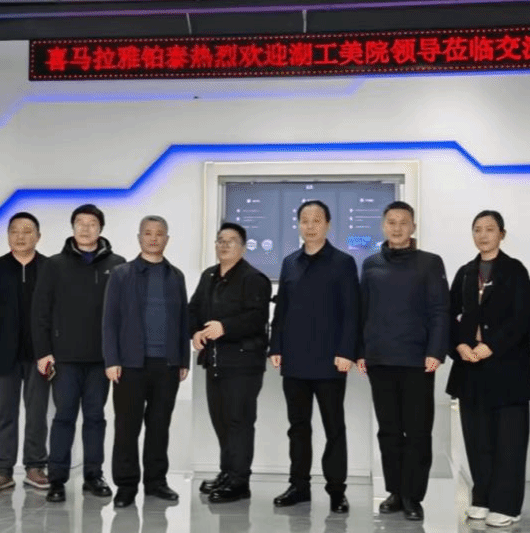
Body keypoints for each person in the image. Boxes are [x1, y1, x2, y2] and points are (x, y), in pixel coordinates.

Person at [359, 201, 450, 522]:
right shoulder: (370, 264)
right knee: (389, 431)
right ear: (383, 226)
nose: (397, 228)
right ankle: (395, 491)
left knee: (418, 431)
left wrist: (436, 351)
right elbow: (363, 311)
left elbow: (440, 310)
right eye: (391, 222)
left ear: (413, 227)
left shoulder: (429, 263)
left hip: (417, 360)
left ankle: (413, 496)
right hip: (380, 359)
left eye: (403, 222)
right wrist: (361, 351)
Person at [268, 199, 360, 513]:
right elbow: (282, 309)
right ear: (298, 225)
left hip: (331, 360)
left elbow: (351, 312)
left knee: (334, 427)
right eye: (305, 220)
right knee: (298, 427)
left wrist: (346, 351)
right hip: (294, 359)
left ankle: (336, 490)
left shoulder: (343, 262)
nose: (310, 226)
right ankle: (299, 486)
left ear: (328, 225)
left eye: (316, 220)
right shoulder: (289, 262)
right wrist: (276, 346)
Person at [33, 203, 126, 503]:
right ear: (73, 227)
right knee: (63, 418)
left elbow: (124, 315)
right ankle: (57, 479)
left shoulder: (118, 265)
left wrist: (117, 356)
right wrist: (43, 352)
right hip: (64, 359)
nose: (86, 229)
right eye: (80, 223)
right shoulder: (54, 265)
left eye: (92, 224)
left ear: (101, 228)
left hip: (102, 359)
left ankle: (93, 476)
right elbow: (40, 312)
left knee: (96, 418)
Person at [447, 210, 530, 528]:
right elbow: (449, 315)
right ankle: (482, 498)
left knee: (509, 441)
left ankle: (507, 505)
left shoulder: (515, 270)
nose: (483, 235)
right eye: (477, 229)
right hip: (470, 369)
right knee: (477, 438)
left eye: (489, 229)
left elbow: (522, 317)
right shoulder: (465, 273)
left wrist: (492, 344)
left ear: (502, 234)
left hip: (507, 369)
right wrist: (459, 346)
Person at [101, 216, 191, 508]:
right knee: (127, 427)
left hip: (167, 364)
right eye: (148, 233)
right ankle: (126, 486)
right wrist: (112, 359)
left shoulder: (175, 276)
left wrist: (183, 359)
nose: (153, 238)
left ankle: (156, 482)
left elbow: (183, 319)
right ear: (139, 237)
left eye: (159, 234)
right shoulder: (122, 274)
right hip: (130, 364)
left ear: (167, 239)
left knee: (159, 426)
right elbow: (110, 321)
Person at [189, 222, 272, 504]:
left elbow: (257, 318)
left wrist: (225, 327)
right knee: (221, 421)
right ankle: (227, 472)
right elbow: (193, 310)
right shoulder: (209, 276)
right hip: (215, 362)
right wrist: (195, 332)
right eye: (220, 240)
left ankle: (239, 481)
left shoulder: (254, 278)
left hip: (243, 364)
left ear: (243, 247)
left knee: (239, 422)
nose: (224, 245)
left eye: (231, 240)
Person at [0, 211, 50, 495]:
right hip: (2, 354)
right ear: (7, 236)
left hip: (40, 356)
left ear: (38, 237)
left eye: (27, 231)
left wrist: (54, 352)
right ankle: (2, 471)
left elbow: (59, 314)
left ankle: (35, 466)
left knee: (37, 413)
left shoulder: (50, 268)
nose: (20, 236)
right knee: (5, 414)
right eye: (15, 231)